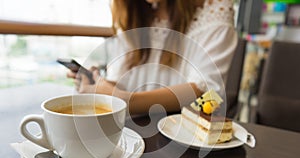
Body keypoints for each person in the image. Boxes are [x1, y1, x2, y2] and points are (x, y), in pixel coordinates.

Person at [67, 0, 238, 115]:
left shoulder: (216, 13)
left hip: (185, 144)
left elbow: (206, 94)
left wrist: (125, 100)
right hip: (132, 136)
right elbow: (123, 82)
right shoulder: (134, 10)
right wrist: (98, 85)